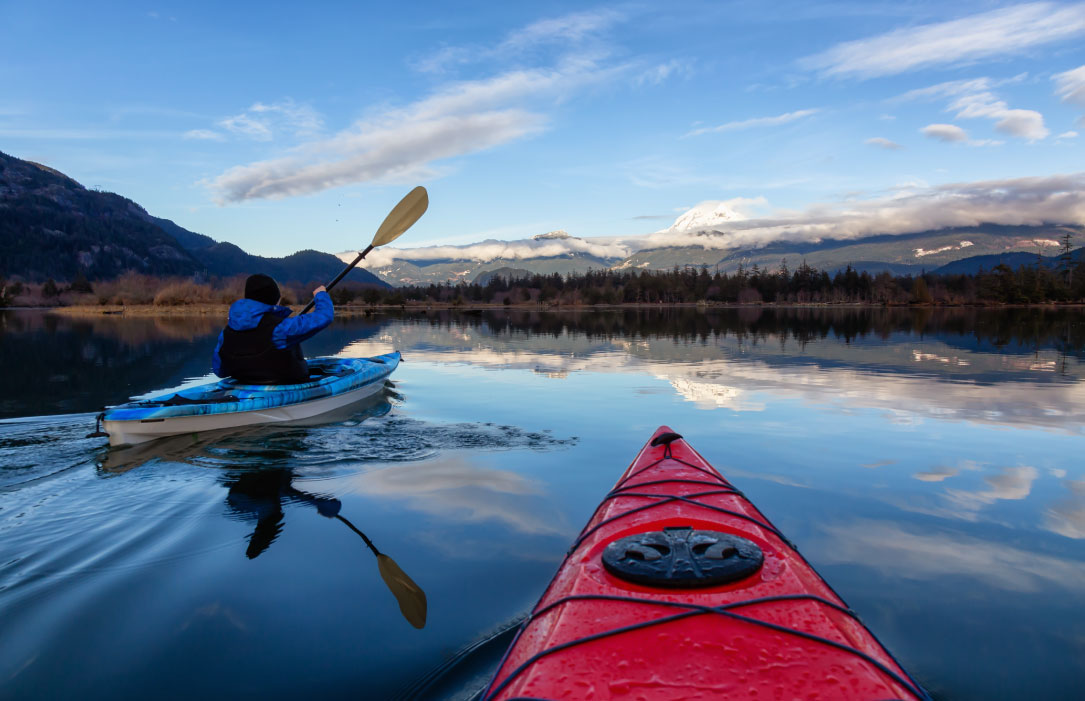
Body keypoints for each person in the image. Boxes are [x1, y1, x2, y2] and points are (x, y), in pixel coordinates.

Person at [212, 273, 333, 384]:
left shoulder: (226, 332)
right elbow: (324, 316)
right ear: (275, 300)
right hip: (284, 386)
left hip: (244, 386)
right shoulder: (281, 329)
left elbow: (220, 371)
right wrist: (321, 294)